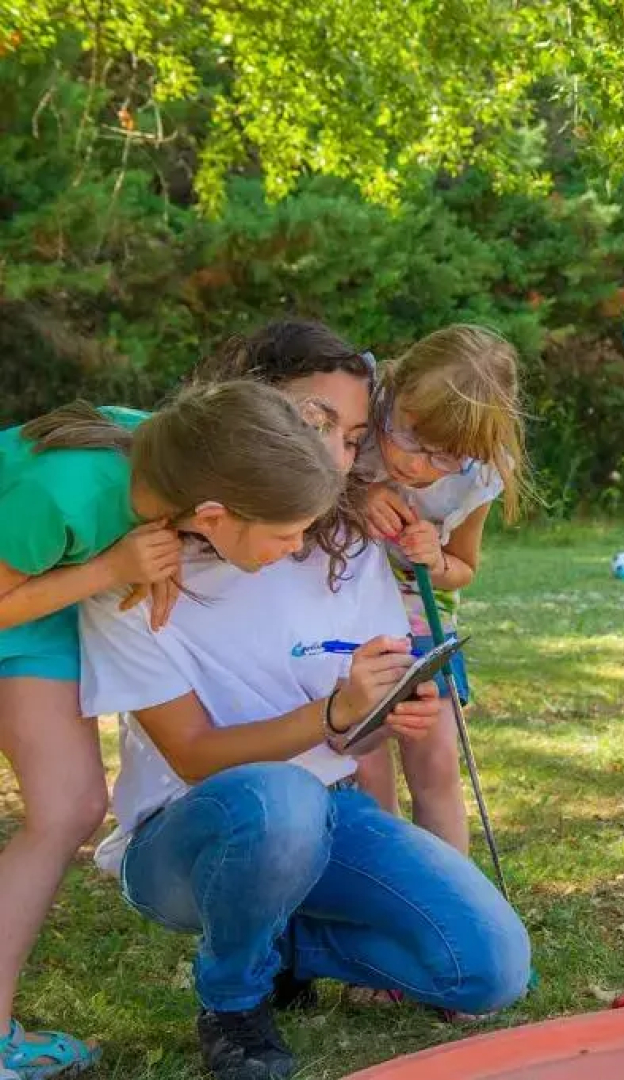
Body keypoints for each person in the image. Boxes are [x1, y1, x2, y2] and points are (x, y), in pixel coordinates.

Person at [78, 323, 531, 1080]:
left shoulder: (348, 546)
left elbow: (358, 715)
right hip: (185, 841)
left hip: (326, 815)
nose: (335, 457)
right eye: (315, 423)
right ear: (247, 409)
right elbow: (191, 751)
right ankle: (235, 1000)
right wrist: (333, 717)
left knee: (490, 969)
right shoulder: (142, 565)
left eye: (354, 438)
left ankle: (284, 941)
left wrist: (386, 712)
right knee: (279, 798)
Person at [0, 380, 333, 1079]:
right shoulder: (65, 494)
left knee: (70, 807)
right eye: (286, 534)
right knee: (65, 812)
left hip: (44, 595)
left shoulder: (190, 456)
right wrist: (112, 567)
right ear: (213, 514)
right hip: (17, 594)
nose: (299, 546)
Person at [354, 324, 529, 853]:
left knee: (435, 768)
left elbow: (463, 567)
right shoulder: (354, 424)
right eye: (409, 438)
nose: (416, 465)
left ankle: (454, 897)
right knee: (362, 761)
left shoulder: (479, 474)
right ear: (395, 390)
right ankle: (380, 882)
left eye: (444, 457)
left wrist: (434, 556)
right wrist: (356, 497)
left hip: (422, 631)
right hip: (350, 628)